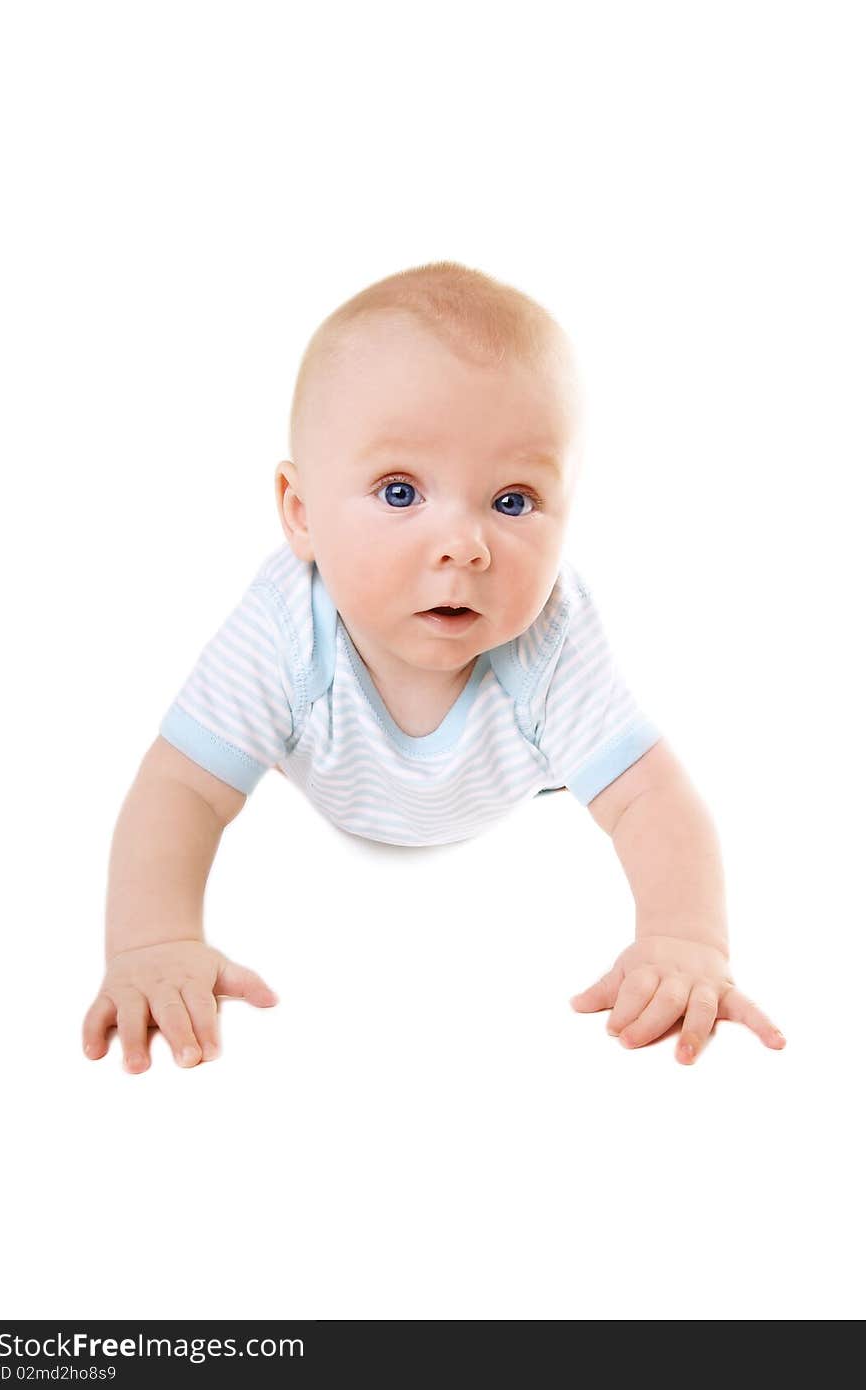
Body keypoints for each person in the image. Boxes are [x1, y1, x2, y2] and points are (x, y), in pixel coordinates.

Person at [82, 260, 785, 1072]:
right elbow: (181, 788)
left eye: (513, 500)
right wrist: (154, 940)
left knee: (597, 754)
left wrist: (685, 938)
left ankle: (556, 754)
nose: (465, 544)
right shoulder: (284, 627)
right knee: (231, 744)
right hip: (329, 766)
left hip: (510, 780)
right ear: (301, 513)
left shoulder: (548, 636)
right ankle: (274, 737)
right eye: (399, 492)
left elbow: (652, 797)